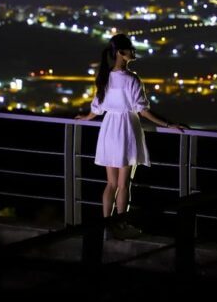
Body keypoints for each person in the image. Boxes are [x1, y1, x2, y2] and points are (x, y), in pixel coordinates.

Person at [76, 33, 186, 239]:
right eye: (130, 49)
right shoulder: (132, 79)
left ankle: (107, 226)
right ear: (121, 52)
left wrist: (85, 118)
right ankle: (121, 225)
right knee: (124, 184)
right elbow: (142, 110)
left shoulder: (104, 77)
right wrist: (168, 124)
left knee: (110, 184)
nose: (134, 51)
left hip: (108, 129)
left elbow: (97, 108)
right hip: (126, 129)